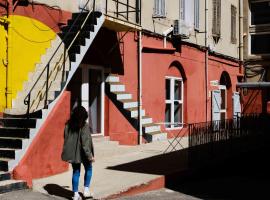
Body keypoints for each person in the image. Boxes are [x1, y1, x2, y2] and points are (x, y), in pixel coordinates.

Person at [61, 106, 94, 200]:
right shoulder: (84, 125)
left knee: (76, 172)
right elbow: (85, 143)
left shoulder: (68, 125)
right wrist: (89, 156)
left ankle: (75, 195)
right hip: (83, 153)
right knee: (89, 168)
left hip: (73, 154)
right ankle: (86, 191)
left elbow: (65, 137)